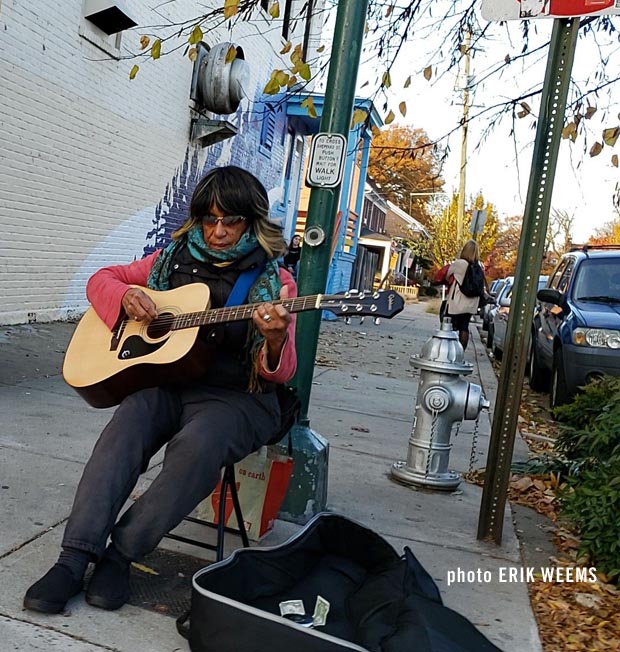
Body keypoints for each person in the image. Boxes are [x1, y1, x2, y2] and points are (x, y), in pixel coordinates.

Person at [23, 166, 297, 614]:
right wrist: (125, 298)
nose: (220, 231)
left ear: (252, 222)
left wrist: (273, 337)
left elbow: (281, 372)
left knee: (198, 446)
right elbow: (102, 280)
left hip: (237, 398)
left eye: (232, 221)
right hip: (171, 382)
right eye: (210, 219)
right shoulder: (171, 257)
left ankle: (121, 555)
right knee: (125, 426)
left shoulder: (275, 281)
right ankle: (73, 557)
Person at [445, 239, 484, 350]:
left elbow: (447, 276)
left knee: (450, 326)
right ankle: (461, 350)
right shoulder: (479, 267)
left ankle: (450, 350)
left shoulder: (459, 264)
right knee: (464, 326)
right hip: (471, 303)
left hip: (457, 301)